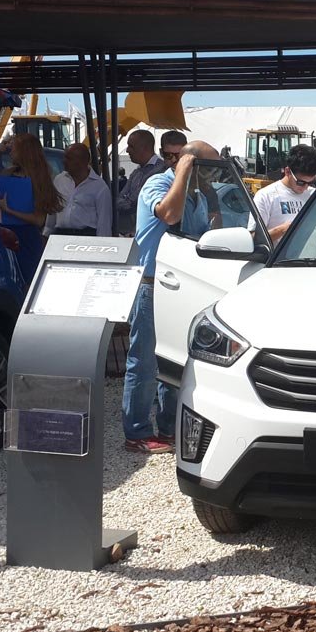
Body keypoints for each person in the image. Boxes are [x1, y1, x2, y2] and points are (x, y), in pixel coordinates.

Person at [122, 140, 215, 453]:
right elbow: (169, 215)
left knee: (174, 361)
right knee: (144, 361)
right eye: (206, 168)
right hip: (151, 283)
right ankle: (136, 431)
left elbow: (201, 239)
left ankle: (167, 427)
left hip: (180, 284)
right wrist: (184, 171)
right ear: (189, 162)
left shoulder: (198, 196)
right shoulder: (158, 183)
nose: (211, 177)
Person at [0, 133, 64, 285]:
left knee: (27, 281)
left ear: (24, 152)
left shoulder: (39, 179)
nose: (10, 152)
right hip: (7, 234)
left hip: (27, 237)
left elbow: (38, 220)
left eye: (14, 149)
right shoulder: (9, 172)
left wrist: (8, 210)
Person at [248, 144, 316, 243]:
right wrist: (282, 230)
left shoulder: (315, 195)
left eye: (310, 183)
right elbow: (252, 239)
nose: (305, 187)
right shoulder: (266, 196)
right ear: (287, 172)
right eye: (301, 182)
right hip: (281, 258)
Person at [44, 143, 113, 237]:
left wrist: (103, 245)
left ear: (83, 161)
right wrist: (46, 234)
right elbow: (52, 213)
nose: (64, 161)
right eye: (65, 157)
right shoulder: (59, 180)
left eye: (69, 158)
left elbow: (104, 223)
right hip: (60, 236)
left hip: (86, 237)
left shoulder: (99, 187)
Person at [116, 129, 165, 235]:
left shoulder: (160, 171)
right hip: (129, 233)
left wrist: (127, 200)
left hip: (145, 233)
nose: (127, 150)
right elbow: (120, 200)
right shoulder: (136, 172)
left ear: (145, 148)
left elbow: (134, 203)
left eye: (131, 146)